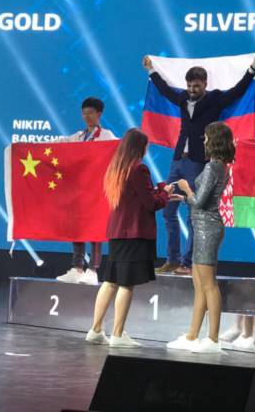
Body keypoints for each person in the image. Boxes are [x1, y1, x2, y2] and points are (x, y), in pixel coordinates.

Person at [143, 51, 255, 275]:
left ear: (205, 84)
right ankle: (172, 259)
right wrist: (151, 69)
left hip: (198, 161)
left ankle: (188, 262)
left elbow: (237, 91)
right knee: (168, 209)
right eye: (189, 86)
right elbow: (165, 90)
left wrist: (252, 68)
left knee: (193, 212)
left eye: (196, 86)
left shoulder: (215, 98)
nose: (192, 90)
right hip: (178, 160)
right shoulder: (182, 98)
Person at [85, 128, 175, 348]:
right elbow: (151, 203)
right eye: (146, 147)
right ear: (139, 147)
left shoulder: (116, 168)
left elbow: (140, 196)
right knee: (126, 285)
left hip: (117, 233)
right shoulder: (138, 169)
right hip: (133, 234)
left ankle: (96, 330)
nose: (147, 151)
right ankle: (117, 334)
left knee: (110, 282)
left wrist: (160, 189)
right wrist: (166, 193)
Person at [166, 122, 234, 354]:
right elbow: (198, 201)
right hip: (202, 226)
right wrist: (184, 198)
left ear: (214, 140)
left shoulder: (214, 166)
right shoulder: (218, 166)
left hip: (207, 228)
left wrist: (186, 189)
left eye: (206, 137)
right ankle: (192, 335)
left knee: (209, 285)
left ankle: (213, 339)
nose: (204, 141)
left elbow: (201, 201)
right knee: (200, 286)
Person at [57, 97, 118, 286]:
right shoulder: (78, 136)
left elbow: (119, 151)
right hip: (79, 191)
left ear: (99, 114)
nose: (87, 116)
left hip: (98, 191)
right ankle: (76, 268)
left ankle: (93, 270)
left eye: (90, 112)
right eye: (84, 113)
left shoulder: (107, 136)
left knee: (95, 230)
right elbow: (59, 144)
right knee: (77, 228)